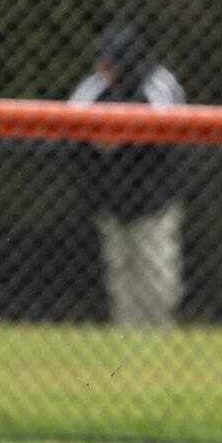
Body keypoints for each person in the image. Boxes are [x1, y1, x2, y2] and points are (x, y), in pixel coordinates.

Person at [68, 23, 186, 327]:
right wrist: (98, 138)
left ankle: (160, 339)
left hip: (154, 201)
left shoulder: (157, 82)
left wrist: (121, 136)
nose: (101, 67)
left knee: (158, 276)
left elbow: (169, 126)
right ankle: (126, 338)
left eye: (108, 60)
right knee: (119, 276)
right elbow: (70, 119)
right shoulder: (96, 86)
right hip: (112, 199)